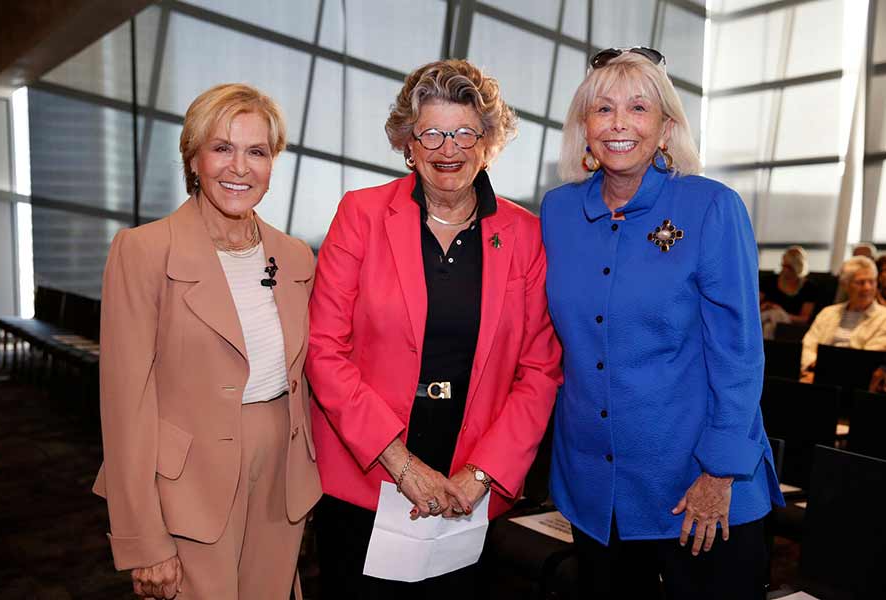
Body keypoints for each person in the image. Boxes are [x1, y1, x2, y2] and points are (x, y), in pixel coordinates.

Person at [305, 59, 562, 599]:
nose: (449, 148)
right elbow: (325, 350)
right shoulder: (361, 215)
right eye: (433, 133)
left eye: (466, 131)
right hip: (368, 480)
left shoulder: (526, 235)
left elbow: (540, 372)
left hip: (469, 492)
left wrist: (482, 474)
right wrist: (401, 464)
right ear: (408, 142)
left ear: (488, 141)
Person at [541, 48, 783, 599]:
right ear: (584, 127)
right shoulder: (557, 213)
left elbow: (739, 353)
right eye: (602, 109)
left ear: (667, 127)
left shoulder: (711, 208)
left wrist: (719, 473)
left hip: (696, 487)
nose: (619, 123)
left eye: (639, 108)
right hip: (595, 490)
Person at [92, 83, 321, 599]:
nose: (239, 167)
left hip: (280, 480)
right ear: (194, 159)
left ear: (272, 163)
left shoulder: (295, 257)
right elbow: (125, 405)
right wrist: (143, 539)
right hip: (185, 486)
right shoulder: (144, 250)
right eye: (222, 148)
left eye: (256, 151)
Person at [801, 255, 886, 376]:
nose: (867, 287)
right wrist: (814, 368)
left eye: (872, 281)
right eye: (860, 282)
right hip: (815, 375)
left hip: (855, 383)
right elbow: (807, 346)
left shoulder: (884, 318)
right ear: (845, 285)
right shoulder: (828, 313)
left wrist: (823, 371)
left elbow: (868, 360)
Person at [759, 245, 817, 337]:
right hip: (765, 317)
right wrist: (764, 307)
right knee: (769, 320)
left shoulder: (808, 288)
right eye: (783, 265)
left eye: (788, 267)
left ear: (797, 267)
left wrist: (782, 312)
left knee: (771, 322)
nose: (784, 269)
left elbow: (805, 319)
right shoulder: (769, 281)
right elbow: (754, 305)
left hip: (789, 325)